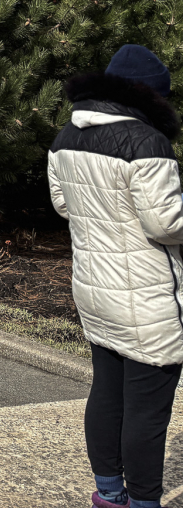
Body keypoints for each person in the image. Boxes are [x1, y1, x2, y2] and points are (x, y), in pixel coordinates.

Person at [48, 44, 183, 508]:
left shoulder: (65, 136)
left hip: (94, 289)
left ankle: (109, 494)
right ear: (150, 97)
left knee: (106, 392)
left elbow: (64, 205)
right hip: (146, 298)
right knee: (148, 411)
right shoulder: (147, 143)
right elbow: (166, 225)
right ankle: (145, 502)